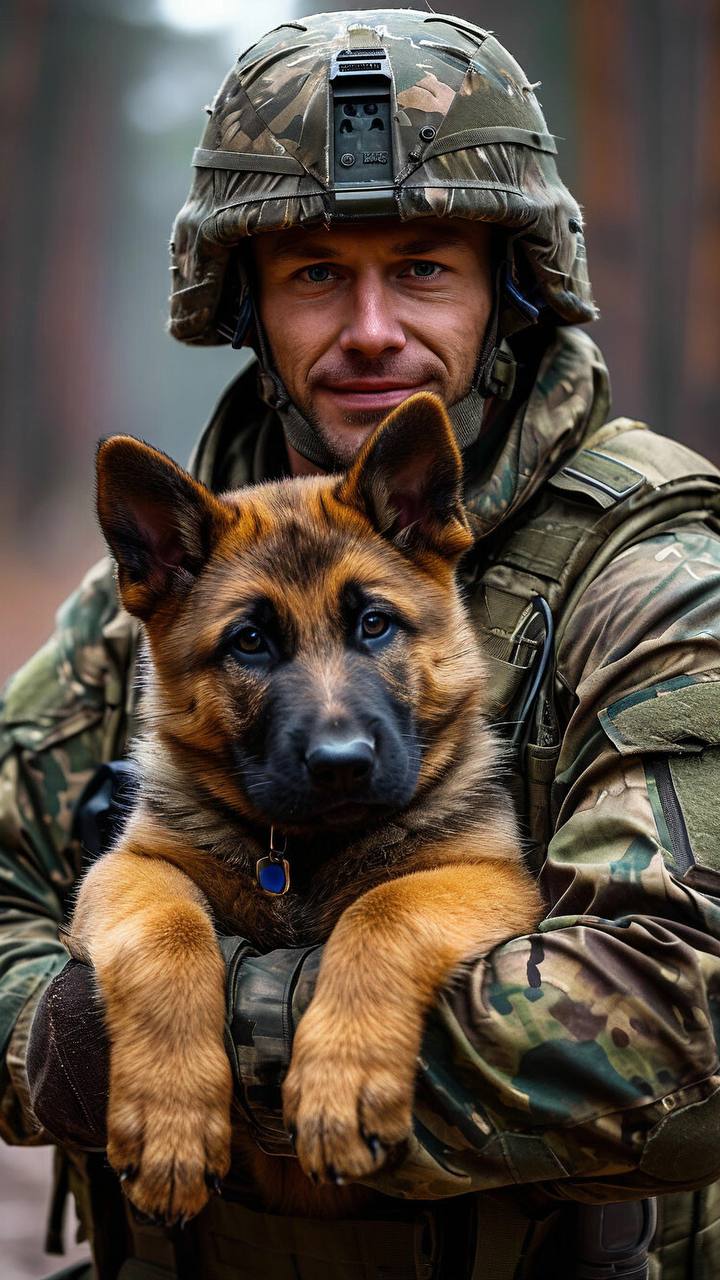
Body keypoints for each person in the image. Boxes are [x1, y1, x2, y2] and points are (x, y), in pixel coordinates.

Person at [2, 10, 720, 1279]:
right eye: (318, 271)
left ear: (510, 277)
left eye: (425, 265)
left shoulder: (653, 566)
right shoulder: (174, 575)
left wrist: (250, 1021)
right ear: (250, 303)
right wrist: (84, 1017)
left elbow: (686, 1021)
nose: (375, 327)